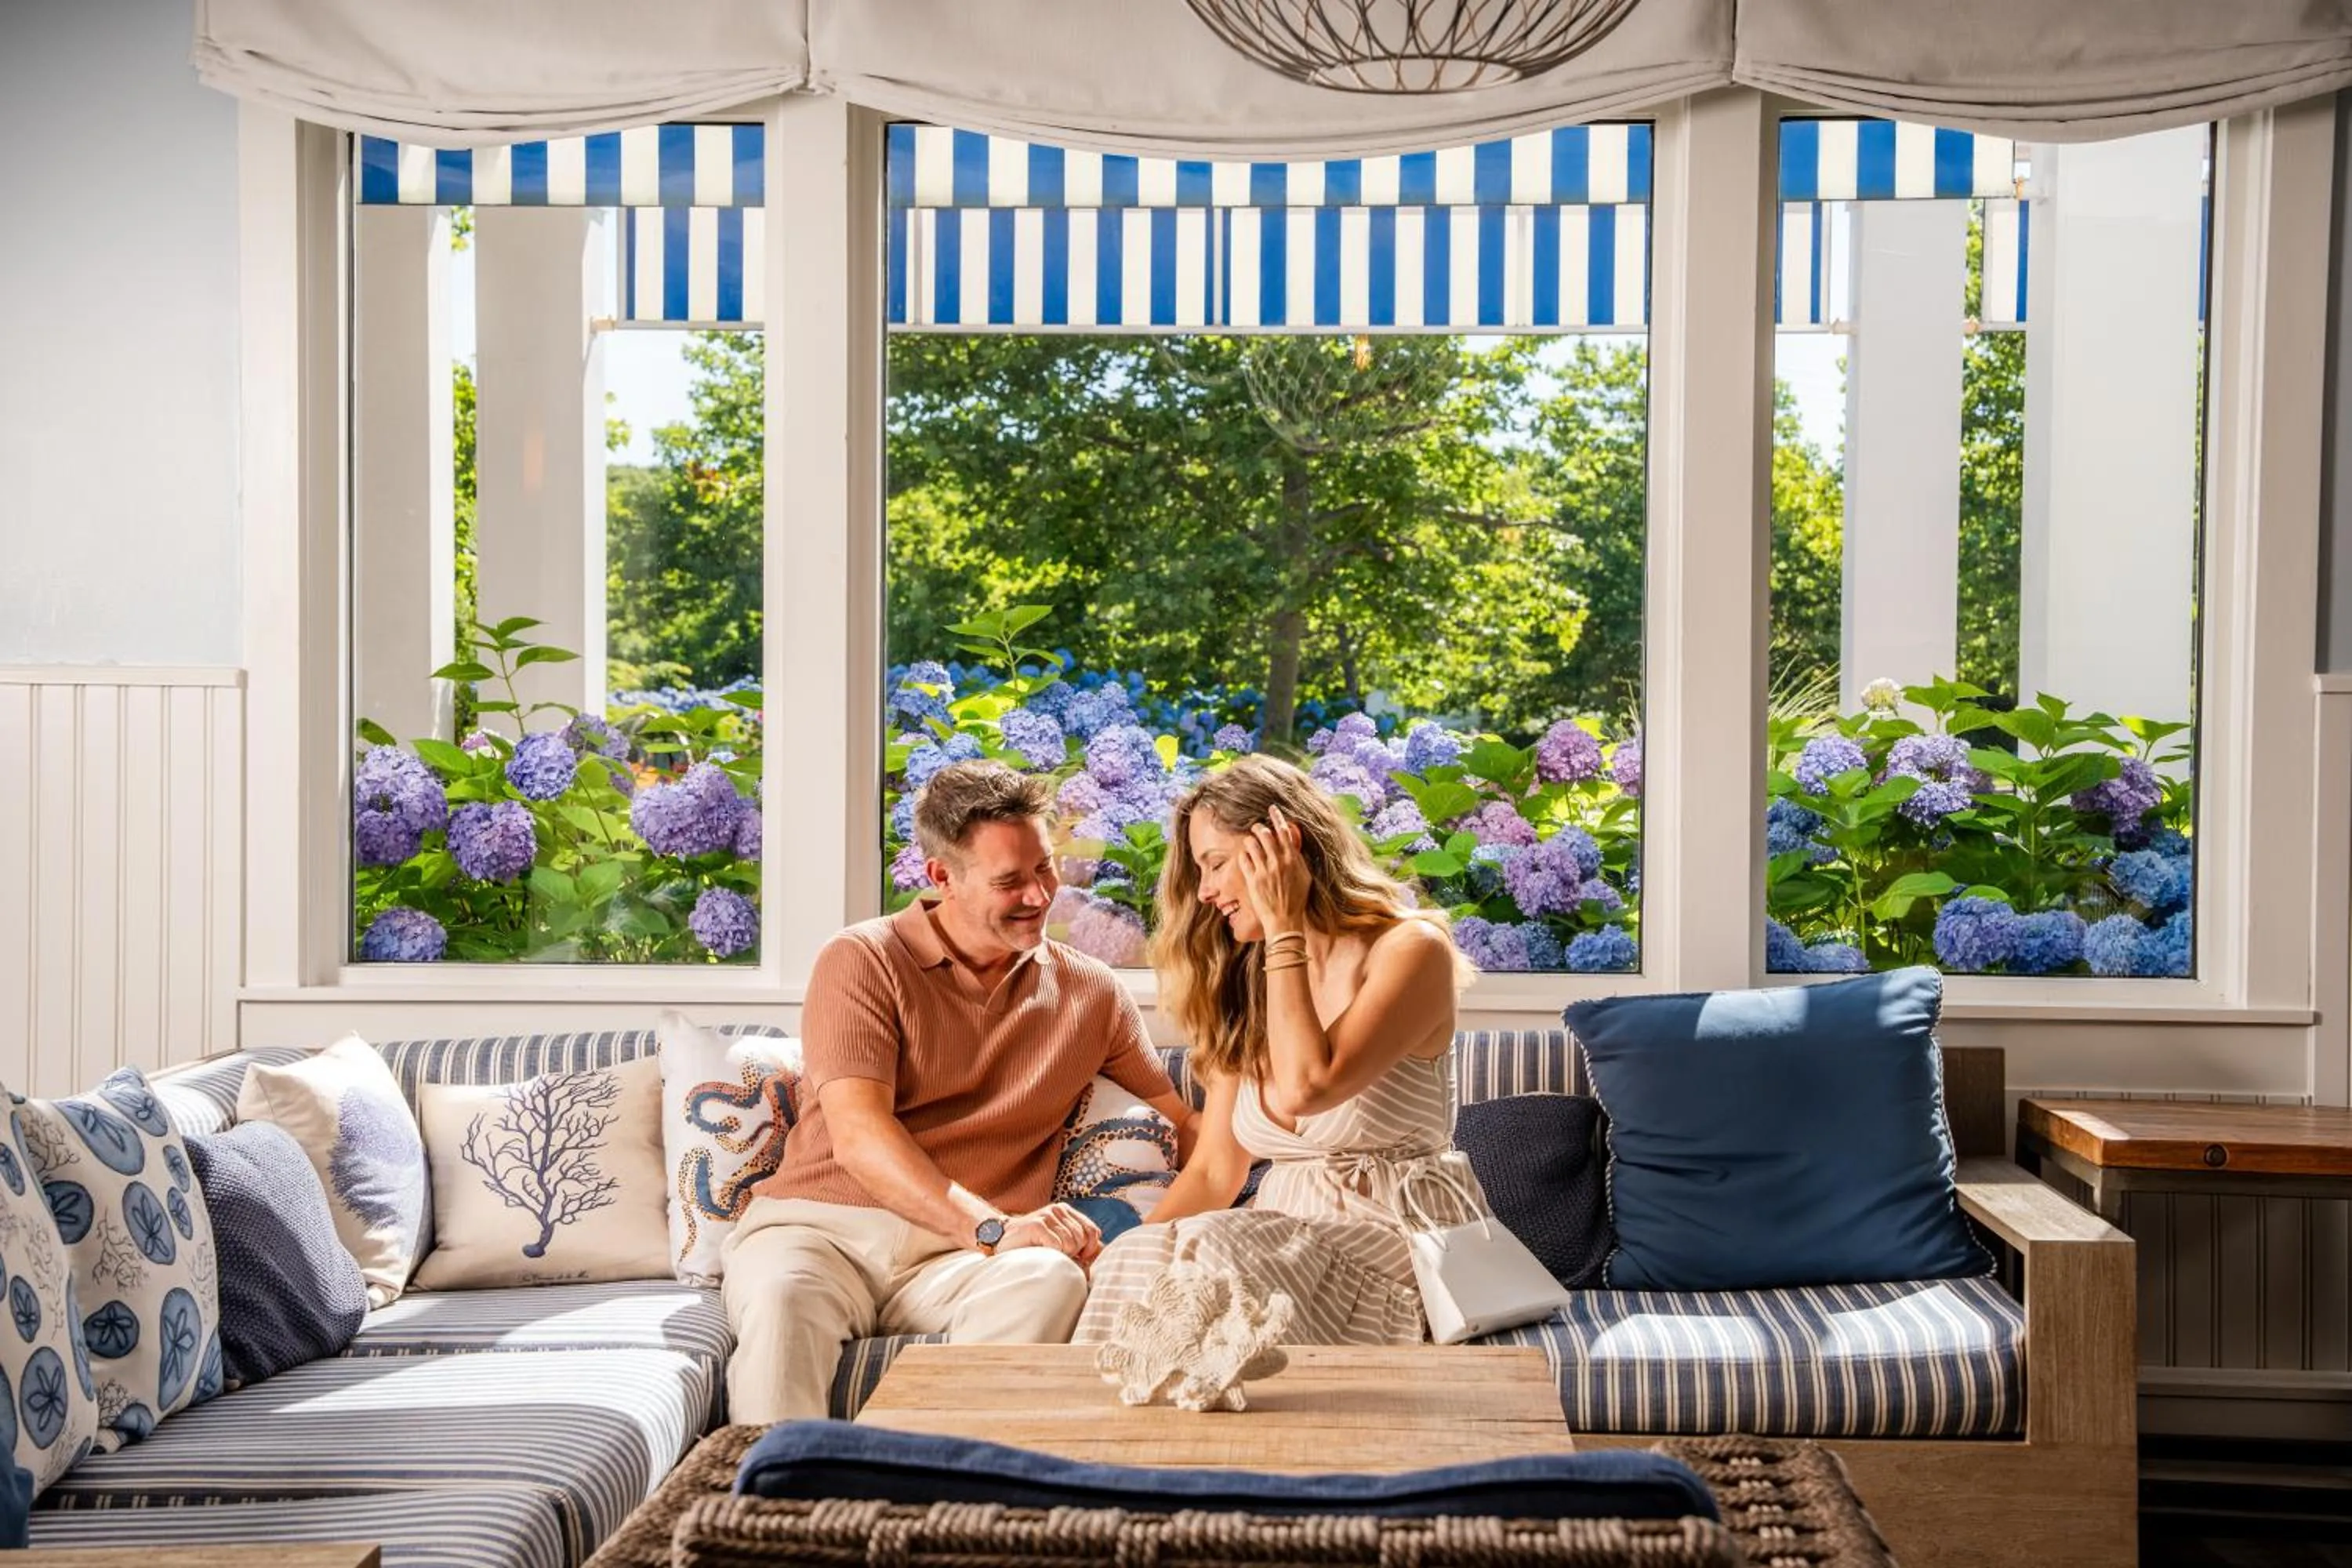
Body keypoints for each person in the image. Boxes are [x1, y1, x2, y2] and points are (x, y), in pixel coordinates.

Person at [724, 759, 1196, 1422]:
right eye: (1010, 881)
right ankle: (770, 1511)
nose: (1038, 896)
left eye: (1045, 869)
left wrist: (1196, 1223)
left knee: (1050, 1277)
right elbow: (860, 1135)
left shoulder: (1092, 991)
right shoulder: (863, 959)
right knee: (781, 1300)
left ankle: (941, 1492)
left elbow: (1183, 1121)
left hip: (962, 1260)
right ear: (941, 877)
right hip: (821, 1234)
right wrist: (993, 1226)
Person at [1075, 753, 1475, 1345]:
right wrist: (1117, 1256)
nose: (1205, 891)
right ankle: (1093, 1436)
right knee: (1143, 1255)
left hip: (1397, 1246)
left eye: (1215, 864)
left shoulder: (1411, 951)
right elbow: (1214, 1171)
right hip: (1280, 1244)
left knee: (1219, 1249)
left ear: (1282, 848)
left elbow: (1309, 1087)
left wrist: (1286, 924)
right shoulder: (1252, 981)